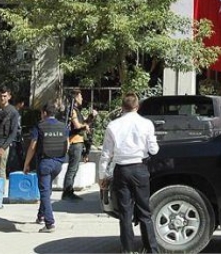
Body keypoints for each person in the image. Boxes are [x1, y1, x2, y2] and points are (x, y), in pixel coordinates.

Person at [99, 92, 159, 254]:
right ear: (137, 106)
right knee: (145, 212)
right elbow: (153, 149)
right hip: (140, 168)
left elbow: (106, 154)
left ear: (122, 107)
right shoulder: (146, 124)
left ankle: (128, 250)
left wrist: (102, 176)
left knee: (125, 213)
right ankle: (151, 249)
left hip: (121, 169)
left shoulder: (113, 126)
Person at [23, 101, 68, 233]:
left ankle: (49, 223)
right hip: (58, 164)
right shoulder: (63, 126)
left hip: (45, 163)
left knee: (44, 192)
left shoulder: (39, 126)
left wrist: (26, 164)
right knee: (47, 190)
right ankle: (41, 216)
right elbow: (67, 144)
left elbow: (32, 146)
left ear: (44, 113)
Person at [63, 88, 97, 201]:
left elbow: (83, 124)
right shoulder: (72, 110)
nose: (82, 98)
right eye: (80, 96)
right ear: (76, 97)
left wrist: (91, 117)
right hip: (74, 142)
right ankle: (67, 192)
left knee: (74, 168)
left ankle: (69, 191)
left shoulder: (76, 110)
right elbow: (77, 126)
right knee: (72, 168)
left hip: (79, 141)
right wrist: (84, 126)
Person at [6, 96, 27, 176]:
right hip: (13, 136)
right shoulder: (13, 112)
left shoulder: (17, 112)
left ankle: (23, 169)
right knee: (12, 154)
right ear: (20, 103)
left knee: (20, 153)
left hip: (18, 136)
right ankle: (8, 171)